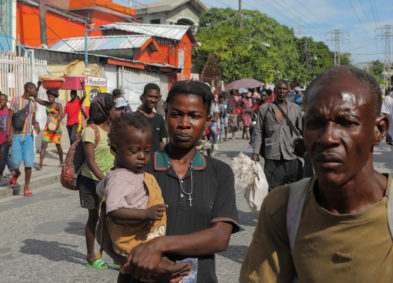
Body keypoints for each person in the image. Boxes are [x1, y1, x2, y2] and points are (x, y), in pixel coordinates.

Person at [240, 66, 393, 282]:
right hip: (274, 157)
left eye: (347, 123)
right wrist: (256, 153)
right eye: (315, 124)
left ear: (379, 129)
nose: (327, 138)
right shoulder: (283, 210)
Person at [126, 80, 240, 282]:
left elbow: (220, 237)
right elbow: (108, 228)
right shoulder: (140, 168)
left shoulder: (219, 173)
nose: (184, 123)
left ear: (207, 122)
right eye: (176, 114)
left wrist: (159, 245)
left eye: (194, 116)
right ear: (166, 115)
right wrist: (147, 261)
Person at [96, 113, 167, 283]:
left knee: (126, 273)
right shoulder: (121, 177)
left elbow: (100, 189)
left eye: (147, 150)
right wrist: (146, 214)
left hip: (136, 238)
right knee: (141, 273)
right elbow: (114, 209)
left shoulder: (129, 174)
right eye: (134, 151)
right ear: (114, 150)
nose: (142, 156)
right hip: (132, 240)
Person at [78, 92, 115, 269]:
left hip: (110, 180)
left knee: (109, 218)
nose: (115, 110)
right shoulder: (90, 130)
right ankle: (91, 256)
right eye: (113, 107)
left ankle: (113, 254)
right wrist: (105, 179)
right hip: (91, 180)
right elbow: (91, 161)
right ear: (106, 110)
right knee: (93, 218)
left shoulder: (113, 129)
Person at [251, 79, 303, 190]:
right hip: (272, 158)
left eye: (284, 89)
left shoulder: (296, 109)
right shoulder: (264, 109)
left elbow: (303, 130)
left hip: (292, 156)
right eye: (279, 88)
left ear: (288, 91)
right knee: (273, 194)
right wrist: (255, 152)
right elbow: (258, 131)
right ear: (275, 90)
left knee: (296, 193)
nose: (282, 91)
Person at [6, 82, 40, 196]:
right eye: (34, 89)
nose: (35, 92)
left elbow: (33, 119)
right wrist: (8, 134)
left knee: (28, 163)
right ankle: (16, 174)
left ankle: (26, 188)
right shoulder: (15, 100)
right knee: (15, 162)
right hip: (16, 135)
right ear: (28, 89)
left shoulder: (33, 104)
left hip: (29, 137)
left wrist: (36, 124)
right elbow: (9, 117)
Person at [34, 88, 64, 169]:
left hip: (56, 129)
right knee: (43, 145)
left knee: (58, 146)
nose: (49, 98)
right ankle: (40, 165)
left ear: (54, 97)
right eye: (48, 97)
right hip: (47, 129)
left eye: (51, 97)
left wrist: (56, 125)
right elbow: (36, 98)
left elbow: (61, 116)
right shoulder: (46, 104)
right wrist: (38, 86)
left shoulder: (58, 105)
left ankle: (61, 161)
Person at [137, 83, 167, 152]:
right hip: (140, 160)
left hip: (156, 161)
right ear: (143, 97)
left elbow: (160, 142)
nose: (153, 100)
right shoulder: (134, 118)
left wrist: (165, 158)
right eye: (150, 96)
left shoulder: (159, 119)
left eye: (156, 97)